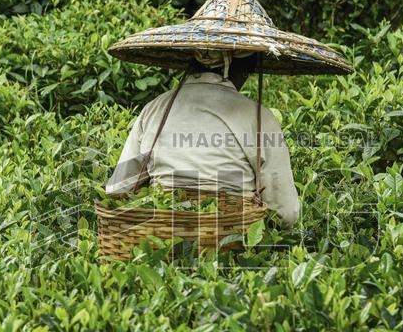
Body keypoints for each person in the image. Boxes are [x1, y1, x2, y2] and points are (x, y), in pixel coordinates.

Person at [105, 51, 300, 227]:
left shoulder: (154, 109)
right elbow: (285, 213)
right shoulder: (258, 116)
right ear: (238, 68)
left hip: (163, 238)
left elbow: (118, 188)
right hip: (233, 240)